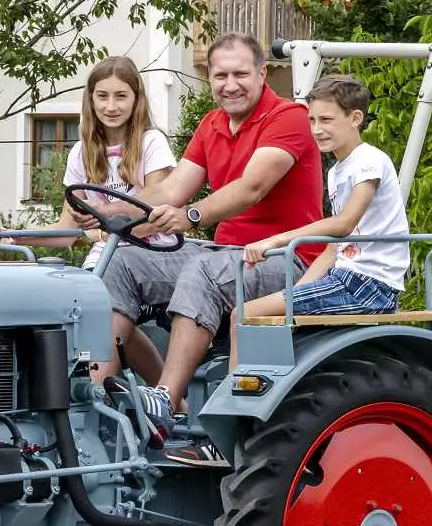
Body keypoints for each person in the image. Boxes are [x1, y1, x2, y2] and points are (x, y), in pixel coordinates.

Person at [97, 32, 322, 458]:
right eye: (220, 75)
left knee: (203, 271)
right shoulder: (212, 124)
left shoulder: (288, 117)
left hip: (286, 260)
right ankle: (92, 401)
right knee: (126, 263)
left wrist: (193, 216)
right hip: (227, 256)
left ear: (262, 73)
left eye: (240, 73)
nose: (230, 84)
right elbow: (173, 189)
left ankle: (166, 403)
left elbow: (251, 187)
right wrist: (114, 213)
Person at [239, 76, 412, 320]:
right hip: (344, 277)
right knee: (261, 314)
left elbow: (344, 223)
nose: (317, 130)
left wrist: (274, 240)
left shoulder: (369, 160)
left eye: (326, 120)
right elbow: (333, 249)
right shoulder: (336, 171)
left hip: (369, 285)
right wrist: (295, 293)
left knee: (243, 314)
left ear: (355, 118)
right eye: (312, 120)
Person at [60, 57, 177, 271]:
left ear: (136, 99)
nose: (111, 107)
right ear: (91, 99)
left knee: (109, 280)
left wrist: (100, 232)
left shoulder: (151, 142)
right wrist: (14, 237)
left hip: (152, 255)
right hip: (102, 260)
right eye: (102, 96)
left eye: (121, 96)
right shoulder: (80, 153)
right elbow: (65, 231)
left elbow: (154, 219)